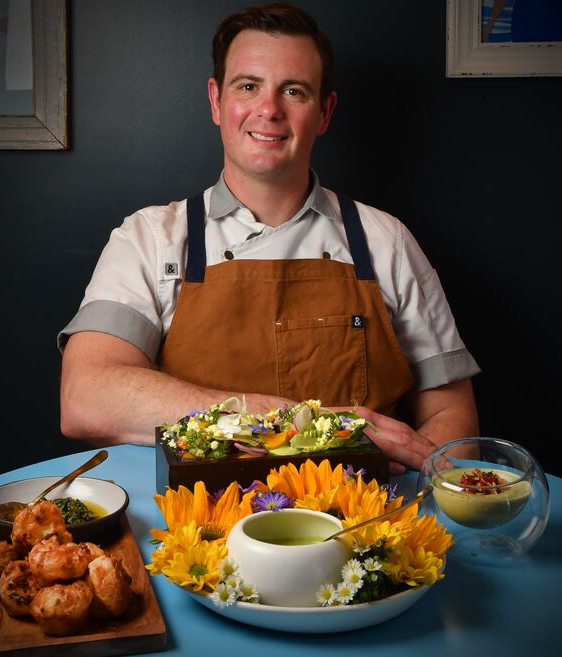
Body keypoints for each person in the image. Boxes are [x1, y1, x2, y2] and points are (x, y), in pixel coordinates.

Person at [59, 3, 480, 474]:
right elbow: (86, 398)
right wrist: (294, 427)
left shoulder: (387, 242)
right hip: (193, 530)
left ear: (324, 112)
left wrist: (418, 479)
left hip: (357, 528)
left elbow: (452, 419)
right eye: (248, 86)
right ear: (216, 101)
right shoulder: (149, 238)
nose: (269, 110)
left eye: (294, 91)